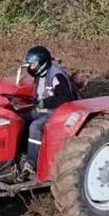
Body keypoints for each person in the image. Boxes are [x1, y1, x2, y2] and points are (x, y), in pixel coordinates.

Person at [20, 46, 79, 175]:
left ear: (42, 63)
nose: (30, 67)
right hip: (42, 110)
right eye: (29, 64)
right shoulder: (40, 74)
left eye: (33, 64)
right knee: (19, 120)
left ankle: (31, 163)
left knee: (35, 127)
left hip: (56, 112)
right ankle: (21, 153)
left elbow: (65, 97)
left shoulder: (56, 76)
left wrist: (44, 103)